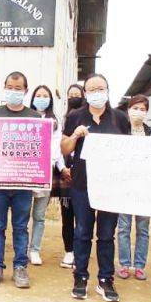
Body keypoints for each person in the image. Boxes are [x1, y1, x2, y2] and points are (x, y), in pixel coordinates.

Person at [61, 73, 129, 302]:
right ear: (85, 93)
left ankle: (105, 279)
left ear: (108, 90)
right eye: (91, 90)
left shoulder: (120, 118)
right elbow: (64, 149)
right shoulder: (75, 116)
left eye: (101, 89)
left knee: (107, 234)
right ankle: (80, 277)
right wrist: (75, 135)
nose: (96, 93)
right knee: (82, 232)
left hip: (111, 185)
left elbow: (128, 150)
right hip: (82, 184)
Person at [0, 72, 41, 289]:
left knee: (20, 227)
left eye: (18, 88)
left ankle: (20, 267)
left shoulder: (35, 118)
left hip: (22, 185)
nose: (13, 91)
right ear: (4, 88)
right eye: (9, 87)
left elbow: (40, 151)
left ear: (25, 91)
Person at [28, 84, 65, 267]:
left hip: (45, 171)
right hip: (25, 171)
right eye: (38, 95)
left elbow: (57, 145)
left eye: (45, 95)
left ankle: (35, 249)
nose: (41, 98)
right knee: (22, 214)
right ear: (33, 98)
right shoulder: (26, 115)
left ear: (50, 100)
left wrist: (59, 165)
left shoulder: (55, 120)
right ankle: (21, 247)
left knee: (39, 215)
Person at [117, 94, 151, 281]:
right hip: (124, 186)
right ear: (128, 109)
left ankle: (139, 265)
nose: (138, 112)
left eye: (143, 109)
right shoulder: (120, 130)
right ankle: (124, 264)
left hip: (145, 187)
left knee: (143, 228)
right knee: (123, 227)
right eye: (135, 108)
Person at [55, 84, 84, 269]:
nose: (74, 97)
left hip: (83, 174)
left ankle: (81, 251)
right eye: (70, 95)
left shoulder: (88, 117)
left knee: (83, 218)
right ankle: (69, 251)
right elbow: (59, 145)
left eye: (77, 95)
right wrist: (63, 167)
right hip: (66, 173)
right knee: (67, 216)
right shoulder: (64, 119)